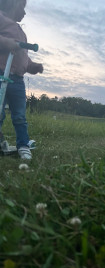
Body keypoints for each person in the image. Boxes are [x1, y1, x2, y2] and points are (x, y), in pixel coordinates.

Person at [0, 0, 43, 159]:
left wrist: (32, 66)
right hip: (1, 75)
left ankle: (23, 145)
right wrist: (6, 43)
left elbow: (23, 56)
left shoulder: (20, 31)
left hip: (17, 81)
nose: (24, 13)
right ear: (12, 3)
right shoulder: (1, 19)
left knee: (19, 115)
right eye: (22, 8)